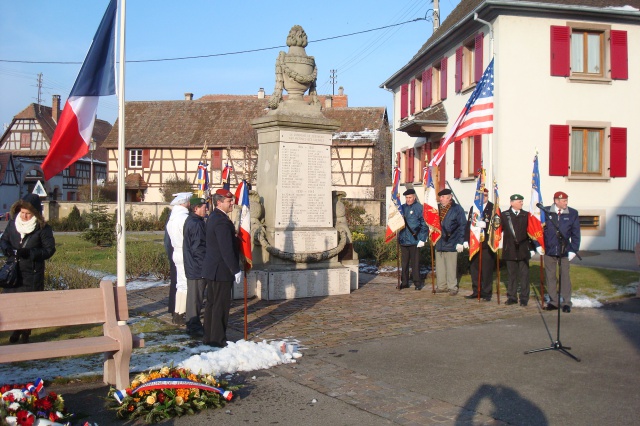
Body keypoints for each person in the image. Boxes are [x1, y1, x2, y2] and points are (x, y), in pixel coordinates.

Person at [0, 194, 56, 344]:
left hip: (31, 272)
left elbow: (49, 250)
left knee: (27, 305)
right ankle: (16, 329)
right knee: (11, 304)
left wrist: (29, 253)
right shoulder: (13, 224)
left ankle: (24, 333)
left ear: (35, 214)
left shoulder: (43, 228)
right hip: (13, 271)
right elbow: (4, 240)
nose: (24, 216)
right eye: (22, 212)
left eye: (28, 213)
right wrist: (7, 250)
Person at [202, 189, 241, 348]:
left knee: (212, 304)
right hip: (221, 270)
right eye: (228, 201)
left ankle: (210, 337)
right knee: (220, 305)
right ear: (219, 202)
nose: (232, 203)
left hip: (213, 268)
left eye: (231, 201)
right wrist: (235, 269)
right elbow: (225, 248)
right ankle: (217, 339)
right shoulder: (221, 221)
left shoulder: (214, 217)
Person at [500, 194, 543, 306]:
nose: (521, 203)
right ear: (512, 203)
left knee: (524, 275)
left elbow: (531, 232)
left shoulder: (526, 215)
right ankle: (512, 297)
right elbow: (497, 230)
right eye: (519, 201)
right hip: (510, 248)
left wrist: (533, 247)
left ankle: (524, 297)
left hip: (523, 249)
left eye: (522, 201)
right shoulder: (504, 215)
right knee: (511, 274)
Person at [543, 191, 580, 313]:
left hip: (565, 250)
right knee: (550, 276)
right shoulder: (546, 211)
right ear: (556, 201)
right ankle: (553, 301)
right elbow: (538, 230)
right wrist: (539, 245)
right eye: (563, 201)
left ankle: (566, 302)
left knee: (564, 276)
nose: (566, 203)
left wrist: (574, 250)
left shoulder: (572, 213)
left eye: (566, 200)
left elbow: (576, 234)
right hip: (549, 249)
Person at [463, 188, 496, 301]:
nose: (484, 197)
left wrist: (486, 226)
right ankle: (476, 291)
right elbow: (469, 225)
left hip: (486, 244)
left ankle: (486, 293)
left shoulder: (493, 208)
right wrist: (466, 240)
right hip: (474, 243)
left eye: (485, 195)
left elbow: (497, 226)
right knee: (475, 269)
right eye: (482, 195)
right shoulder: (474, 207)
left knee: (486, 270)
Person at [183, 195, 208, 337]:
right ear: (196, 208)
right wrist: (204, 267)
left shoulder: (193, 221)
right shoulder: (196, 223)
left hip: (194, 266)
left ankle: (192, 324)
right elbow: (198, 248)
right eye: (204, 207)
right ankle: (193, 326)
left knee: (195, 297)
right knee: (195, 299)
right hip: (197, 268)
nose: (206, 209)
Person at [166, 192, 192, 325]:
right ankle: (182, 313)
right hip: (185, 252)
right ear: (184, 203)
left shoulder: (172, 218)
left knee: (180, 284)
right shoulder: (184, 218)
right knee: (186, 284)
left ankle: (177, 312)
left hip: (176, 251)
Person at [434, 188, 466, 295]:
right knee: (440, 266)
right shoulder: (437, 209)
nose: (441, 199)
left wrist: (461, 241)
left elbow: (462, 226)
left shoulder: (457, 209)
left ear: (450, 197)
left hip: (452, 240)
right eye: (440, 197)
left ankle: (452, 287)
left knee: (451, 266)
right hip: (439, 241)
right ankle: (441, 285)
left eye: (443, 197)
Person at [398, 188, 429, 290]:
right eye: (406, 197)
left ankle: (417, 283)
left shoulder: (419, 208)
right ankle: (405, 282)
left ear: (414, 197)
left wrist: (422, 238)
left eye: (410, 197)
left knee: (415, 263)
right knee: (404, 263)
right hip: (404, 239)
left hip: (415, 240)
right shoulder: (402, 208)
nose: (408, 199)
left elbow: (424, 224)